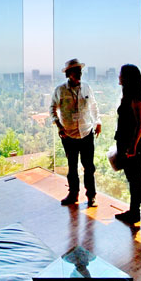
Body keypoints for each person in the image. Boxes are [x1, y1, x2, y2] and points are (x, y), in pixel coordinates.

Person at [49, 58, 101, 207]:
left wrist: (98, 122)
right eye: (75, 71)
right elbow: (52, 109)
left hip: (86, 133)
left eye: (79, 71)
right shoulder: (60, 90)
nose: (78, 74)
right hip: (69, 135)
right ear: (68, 74)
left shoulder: (86, 88)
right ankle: (73, 195)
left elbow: (94, 106)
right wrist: (59, 125)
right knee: (72, 167)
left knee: (89, 167)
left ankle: (91, 196)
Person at [114, 64, 141, 234]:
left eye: (121, 74)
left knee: (140, 183)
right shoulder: (127, 96)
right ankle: (134, 213)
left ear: (127, 78)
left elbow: (140, 124)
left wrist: (132, 146)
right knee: (133, 181)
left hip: (132, 146)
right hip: (126, 144)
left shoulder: (136, 98)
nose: (119, 77)